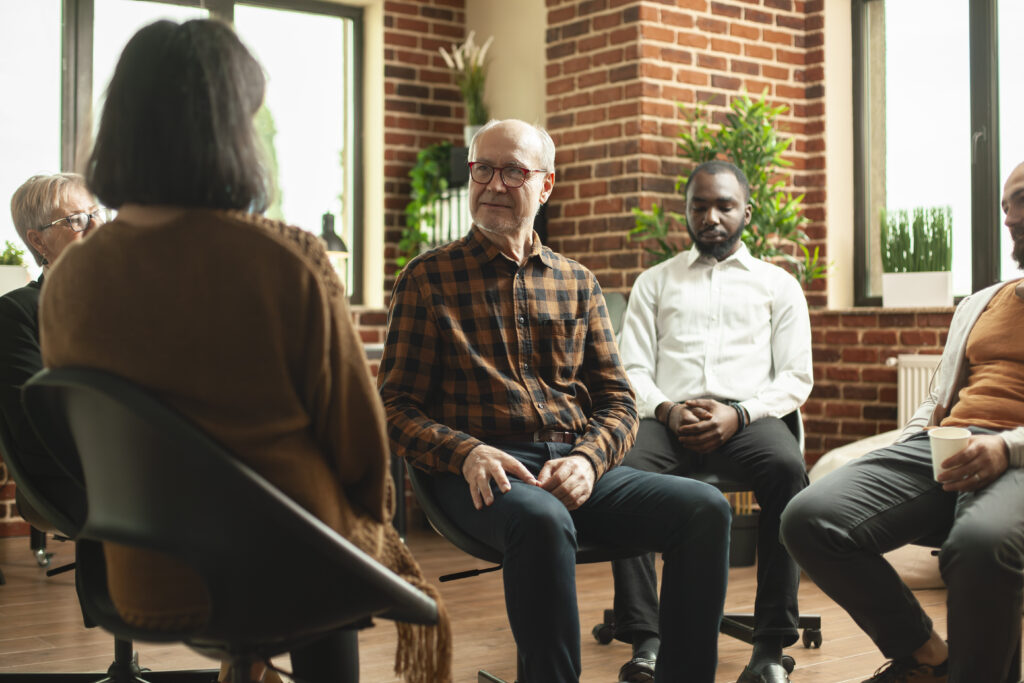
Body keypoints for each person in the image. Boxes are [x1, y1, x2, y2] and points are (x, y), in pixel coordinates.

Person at [37, 19, 448, 683]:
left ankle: (247, 663)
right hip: (290, 573)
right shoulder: (288, 259)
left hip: (144, 574)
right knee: (332, 530)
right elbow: (362, 452)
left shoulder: (68, 281)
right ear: (230, 130)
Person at [377, 118, 732, 683]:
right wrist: (467, 452)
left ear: (544, 186)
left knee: (704, 509)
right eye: (482, 169)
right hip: (477, 472)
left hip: (571, 460)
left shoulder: (578, 283)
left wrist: (589, 460)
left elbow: (619, 400)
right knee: (541, 520)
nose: (492, 183)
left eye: (512, 171)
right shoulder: (426, 280)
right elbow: (394, 407)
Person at [780, 161, 1024, 683]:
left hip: (1016, 456)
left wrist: (1007, 448)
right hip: (950, 444)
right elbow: (939, 393)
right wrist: (912, 442)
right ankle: (929, 657)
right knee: (809, 517)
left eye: (1020, 199)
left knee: (979, 545)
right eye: (1006, 205)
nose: (1009, 217)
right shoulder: (984, 301)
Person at [609, 160, 813, 683]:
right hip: (666, 413)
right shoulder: (655, 282)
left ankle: (769, 647)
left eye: (724, 205)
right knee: (616, 470)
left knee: (788, 471)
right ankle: (646, 639)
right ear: (686, 213)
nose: (711, 216)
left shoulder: (778, 285)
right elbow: (631, 369)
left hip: (747, 416)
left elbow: (795, 378)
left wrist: (739, 413)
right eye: (699, 206)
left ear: (747, 210)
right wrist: (670, 411)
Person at [0, 173, 104, 526]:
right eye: (76, 220)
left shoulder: (125, 303)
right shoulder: (17, 312)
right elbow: (37, 428)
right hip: (72, 476)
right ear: (38, 241)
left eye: (96, 213)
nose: (94, 227)